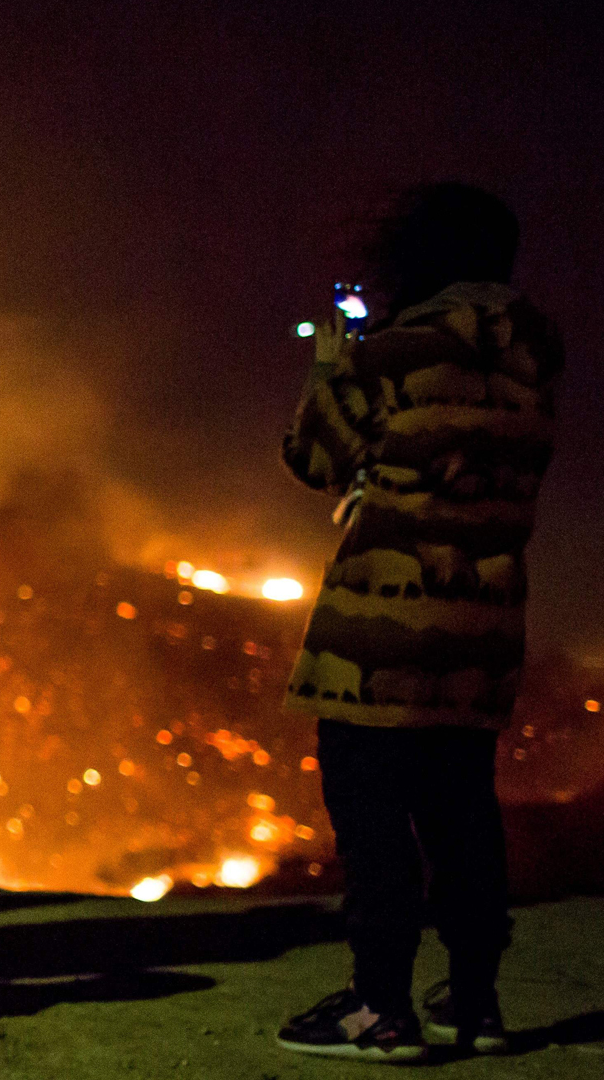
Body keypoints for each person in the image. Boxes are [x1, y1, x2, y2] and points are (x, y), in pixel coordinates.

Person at [276, 183, 560, 1062]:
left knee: (371, 814)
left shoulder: (393, 353)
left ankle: (380, 1007)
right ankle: (473, 1001)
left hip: (380, 632)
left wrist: (333, 358)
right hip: (481, 631)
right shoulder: (534, 358)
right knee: (464, 811)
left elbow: (312, 456)